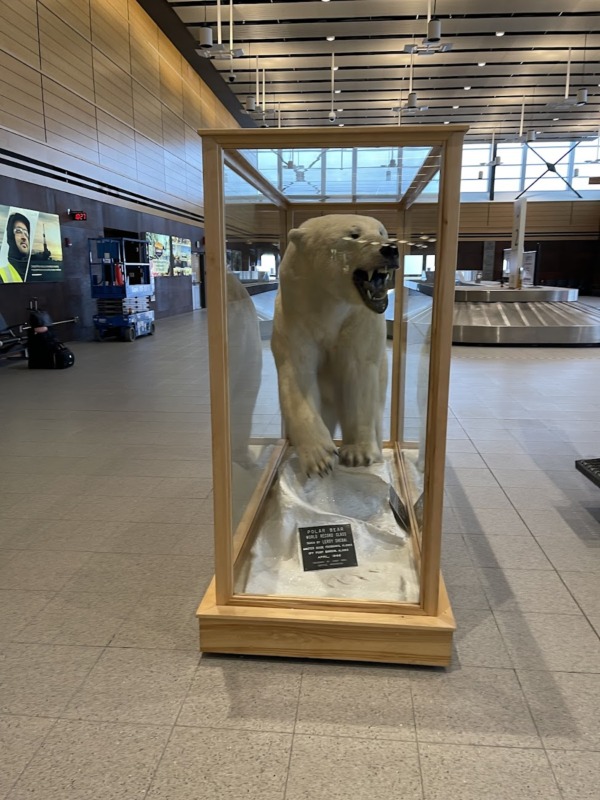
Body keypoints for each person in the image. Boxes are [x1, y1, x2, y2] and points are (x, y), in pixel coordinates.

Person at [0, 212, 31, 282]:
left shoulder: (34, 272)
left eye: (26, 234)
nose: (24, 237)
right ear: (11, 237)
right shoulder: (1, 275)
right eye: (18, 231)